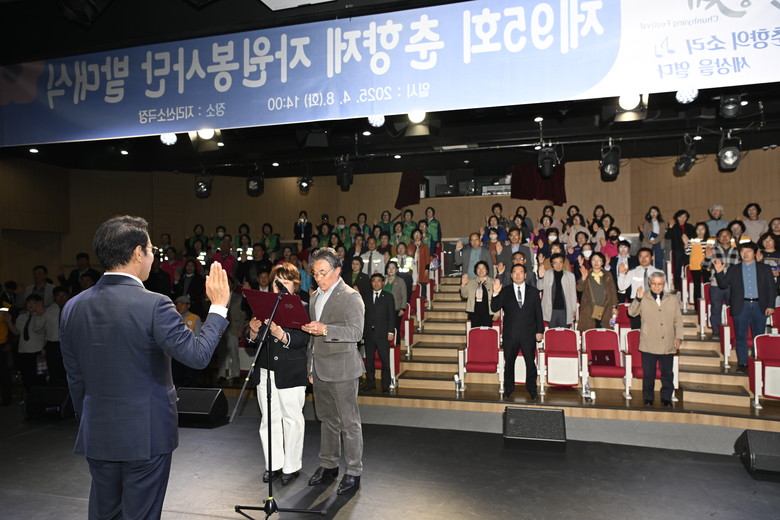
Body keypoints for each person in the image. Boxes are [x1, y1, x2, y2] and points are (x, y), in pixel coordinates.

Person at [60, 215, 230, 520]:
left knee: (104, 513)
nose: (153, 257)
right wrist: (218, 306)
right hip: (146, 435)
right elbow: (198, 355)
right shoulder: (155, 304)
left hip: (97, 432)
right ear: (138, 253)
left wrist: (90, 419)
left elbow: (75, 377)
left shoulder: (73, 306)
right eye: (151, 250)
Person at [302, 247, 365, 495]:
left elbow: (356, 333)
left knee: (349, 423)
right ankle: (329, 466)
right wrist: (310, 366)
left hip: (343, 369)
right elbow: (312, 338)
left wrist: (326, 329)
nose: (318, 278)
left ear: (337, 271)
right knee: (327, 420)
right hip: (319, 369)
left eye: (323, 273)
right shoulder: (315, 297)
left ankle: (354, 471)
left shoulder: (351, 297)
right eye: (315, 273)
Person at [246, 263, 310, 486]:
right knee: (269, 419)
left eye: (286, 282)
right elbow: (252, 338)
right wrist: (253, 331)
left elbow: (304, 339)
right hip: (265, 370)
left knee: (292, 419)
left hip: (291, 371)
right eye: (277, 282)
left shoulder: (303, 306)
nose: (280, 286)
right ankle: (273, 464)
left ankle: (291, 467)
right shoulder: (263, 305)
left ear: (295, 285)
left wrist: (282, 335)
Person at [712, 242, 776, 373]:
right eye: (742, 251)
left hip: (760, 306)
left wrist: (771, 305)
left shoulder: (764, 268)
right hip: (741, 306)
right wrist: (719, 272)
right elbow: (723, 285)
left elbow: (771, 289)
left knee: (758, 336)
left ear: (755, 253)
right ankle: (742, 363)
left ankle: (756, 361)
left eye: (749, 251)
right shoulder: (733, 269)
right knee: (740, 336)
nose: (745, 254)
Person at [628, 273, 683, 407]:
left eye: (660, 284)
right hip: (649, 341)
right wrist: (638, 299)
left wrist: (678, 337)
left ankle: (666, 398)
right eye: (654, 283)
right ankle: (648, 398)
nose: (657, 286)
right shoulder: (643, 298)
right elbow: (631, 313)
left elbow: (678, 320)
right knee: (649, 374)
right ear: (649, 283)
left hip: (667, 341)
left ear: (664, 284)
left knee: (667, 373)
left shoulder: (672, 299)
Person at [490, 264, 544, 400]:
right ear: (511, 275)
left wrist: (540, 331)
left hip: (528, 334)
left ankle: (532, 389)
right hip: (510, 334)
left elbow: (538, 313)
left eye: (521, 272)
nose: (518, 275)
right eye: (515, 272)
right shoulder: (505, 291)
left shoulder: (533, 291)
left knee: (530, 363)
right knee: (509, 363)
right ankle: (508, 389)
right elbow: (494, 307)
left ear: (525, 275)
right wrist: (495, 293)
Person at [700, 229, 740, 341]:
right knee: (716, 308)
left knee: (734, 309)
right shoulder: (713, 250)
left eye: (727, 235)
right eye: (722, 235)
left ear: (731, 237)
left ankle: (733, 332)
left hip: (733, 285)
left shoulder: (738, 251)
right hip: (716, 284)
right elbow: (704, 266)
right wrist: (708, 257)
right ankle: (716, 332)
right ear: (717, 238)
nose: (725, 237)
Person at [362, 274, 395, 393]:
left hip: (383, 334)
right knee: (369, 361)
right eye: (374, 281)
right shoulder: (365, 296)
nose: (376, 283)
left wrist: (391, 331)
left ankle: (385, 384)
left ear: (383, 283)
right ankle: (370, 383)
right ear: (371, 283)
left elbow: (391, 316)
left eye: (379, 281)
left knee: (385, 361)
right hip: (369, 334)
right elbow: (362, 315)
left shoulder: (388, 297)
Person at [617, 247, 663, 329]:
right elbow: (621, 287)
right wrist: (621, 274)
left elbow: (665, 292)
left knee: (653, 330)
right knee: (637, 330)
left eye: (646, 256)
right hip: (636, 303)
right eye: (641, 256)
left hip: (654, 303)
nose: (643, 259)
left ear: (652, 257)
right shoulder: (632, 272)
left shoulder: (659, 273)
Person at [576, 252, 618, 331]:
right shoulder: (586, 273)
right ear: (590, 262)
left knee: (605, 330)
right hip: (591, 308)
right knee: (593, 330)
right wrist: (583, 279)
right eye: (593, 260)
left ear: (602, 262)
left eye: (599, 260)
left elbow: (613, 291)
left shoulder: (608, 274)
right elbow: (579, 289)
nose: (596, 262)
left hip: (606, 307)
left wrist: (614, 307)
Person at [538, 253, 577, 328]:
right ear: (552, 264)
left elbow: (573, 293)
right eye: (555, 263)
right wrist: (540, 277)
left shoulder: (570, 276)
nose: (558, 265)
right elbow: (539, 287)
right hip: (550, 309)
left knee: (565, 332)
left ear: (563, 263)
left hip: (565, 309)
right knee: (551, 332)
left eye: (560, 262)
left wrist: (573, 309)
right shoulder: (546, 274)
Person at [666, 209, 695, 291]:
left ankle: (688, 286)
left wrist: (687, 239)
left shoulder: (690, 226)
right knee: (677, 268)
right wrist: (670, 227)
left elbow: (695, 236)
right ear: (677, 218)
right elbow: (667, 237)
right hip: (677, 250)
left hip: (688, 249)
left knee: (688, 267)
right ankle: (677, 287)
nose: (682, 219)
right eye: (680, 217)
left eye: (684, 217)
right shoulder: (674, 227)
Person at [460, 261, 496, 328]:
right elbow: (464, 295)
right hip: (474, 313)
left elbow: (497, 298)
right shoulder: (471, 282)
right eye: (479, 268)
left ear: (487, 270)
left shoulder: (493, 282)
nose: (481, 270)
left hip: (488, 313)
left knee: (486, 332)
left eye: (483, 268)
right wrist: (463, 284)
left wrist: (496, 313)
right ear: (476, 271)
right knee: (475, 332)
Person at [384, 261, 407, 331]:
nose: (391, 270)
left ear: (396, 270)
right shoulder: (383, 280)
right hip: (383, 308)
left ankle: (397, 339)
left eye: (393, 268)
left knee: (395, 328)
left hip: (396, 309)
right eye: (389, 268)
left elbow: (404, 295)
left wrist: (403, 308)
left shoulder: (400, 281)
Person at [641, 206, 665, 270]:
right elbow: (645, 233)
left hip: (659, 241)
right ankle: (649, 274)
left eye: (655, 212)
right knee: (648, 259)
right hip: (648, 242)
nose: (653, 213)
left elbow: (662, 233)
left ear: (658, 213)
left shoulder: (662, 222)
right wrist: (649, 240)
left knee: (658, 259)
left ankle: (658, 274)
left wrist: (656, 240)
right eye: (651, 212)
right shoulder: (647, 222)